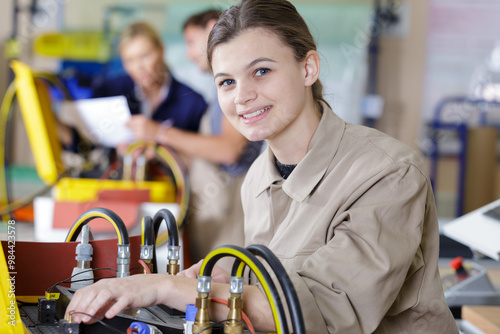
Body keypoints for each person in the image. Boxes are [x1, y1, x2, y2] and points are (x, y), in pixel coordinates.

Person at [65, 1, 458, 333]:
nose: (243, 97)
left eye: (262, 71)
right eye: (226, 82)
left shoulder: (388, 173)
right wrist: (221, 269)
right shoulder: (257, 178)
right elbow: (275, 273)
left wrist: (163, 288)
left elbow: (320, 311)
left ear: (308, 68)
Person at [149, 10, 262, 265]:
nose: (189, 53)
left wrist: (159, 132)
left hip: (229, 212)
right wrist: (159, 150)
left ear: (213, 28)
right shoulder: (217, 91)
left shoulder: (235, 87)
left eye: (191, 41)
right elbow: (206, 157)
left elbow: (228, 150)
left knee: (226, 288)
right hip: (211, 213)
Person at [60, 22, 207, 158]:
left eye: (145, 56)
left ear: (161, 50)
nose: (139, 67)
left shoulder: (192, 103)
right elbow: (84, 144)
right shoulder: (109, 91)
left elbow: (200, 160)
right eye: (130, 60)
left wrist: (159, 141)